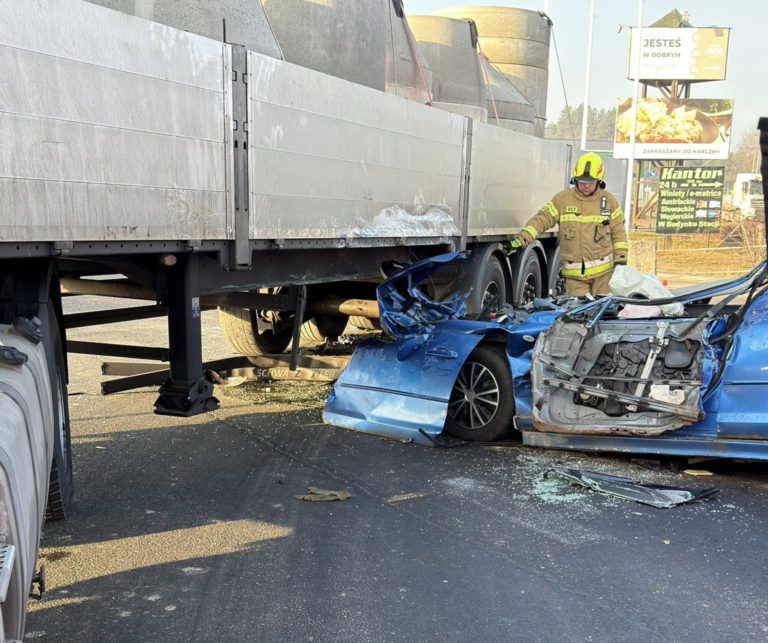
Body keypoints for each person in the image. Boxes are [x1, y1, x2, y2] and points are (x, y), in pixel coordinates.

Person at [509, 152, 628, 296]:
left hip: (604, 277)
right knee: (578, 316)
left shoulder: (609, 202)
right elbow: (542, 219)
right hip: (575, 279)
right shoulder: (562, 200)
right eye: (582, 182)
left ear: (599, 180)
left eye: (590, 183)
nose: (585, 186)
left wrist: (621, 260)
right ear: (575, 179)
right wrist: (522, 239)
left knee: (604, 315)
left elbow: (619, 232)